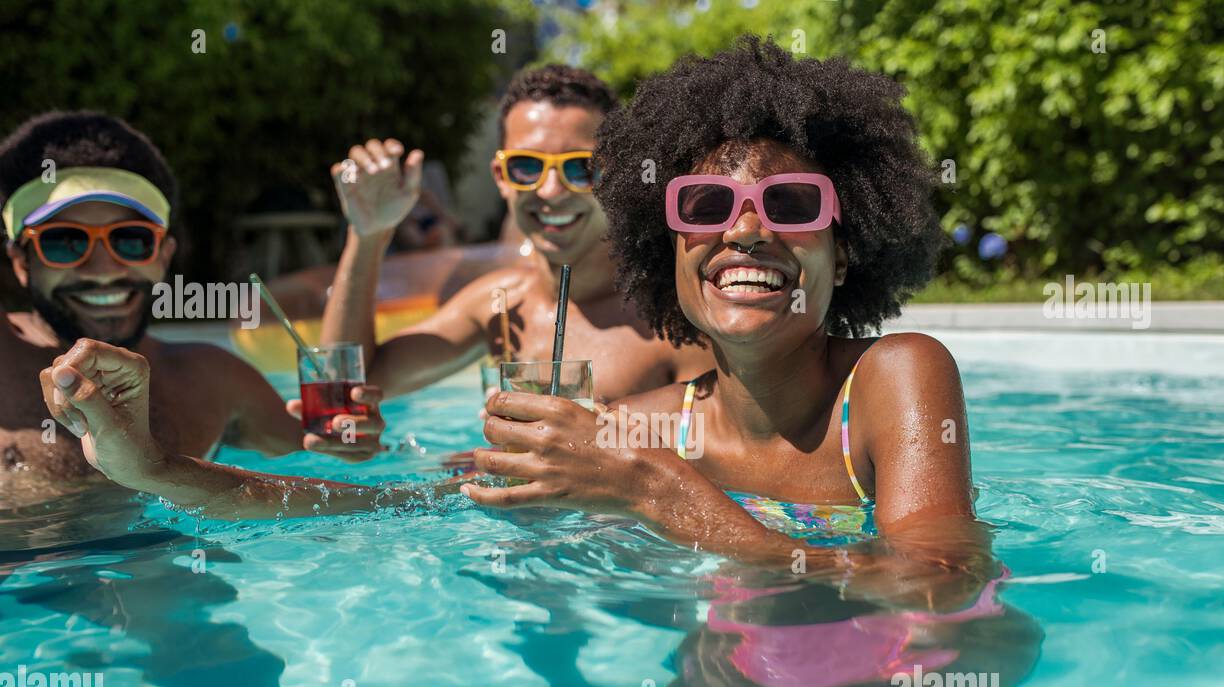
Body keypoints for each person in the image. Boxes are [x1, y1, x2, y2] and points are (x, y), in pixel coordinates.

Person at [41, 39, 997, 608]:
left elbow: (937, 584)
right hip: (731, 660)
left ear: (849, 242)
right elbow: (378, 503)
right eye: (705, 207)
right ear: (665, 242)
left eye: (791, 205)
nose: (746, 231)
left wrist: (656, 492)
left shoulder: (893, 378)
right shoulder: (634, 425)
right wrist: (155, 470)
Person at [0, 111, 384, 508]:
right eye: (64, 242)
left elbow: (336, 477)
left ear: (164, 255)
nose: (103, 271)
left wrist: (354, 441)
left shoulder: (214, 379)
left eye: (131, 240)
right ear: (20, 261)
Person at [318, 64, 713, 404]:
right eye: (527, 167)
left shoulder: (674, 323)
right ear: (500, 178)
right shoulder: (502, 308)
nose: (550, 191)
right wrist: (368, 235)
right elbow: (346, 389)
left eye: (581, 168)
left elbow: (732, 465)